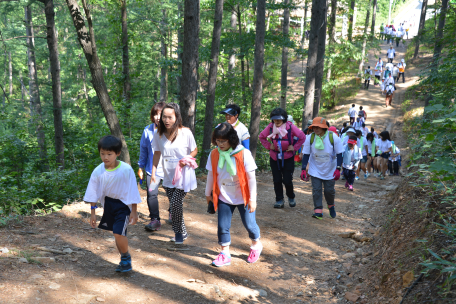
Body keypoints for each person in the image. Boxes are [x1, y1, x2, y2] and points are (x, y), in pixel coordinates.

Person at [205, 123, 262, 267]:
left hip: (243, 196)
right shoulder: (214, 154)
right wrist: (207, 193)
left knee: (249, 224)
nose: (220, 143)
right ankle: (225, 253)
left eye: (223, 141)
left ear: (232, 139)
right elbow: (211, 174)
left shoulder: (243, 153)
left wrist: (252, 199)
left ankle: (256, 245)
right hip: (224, 195)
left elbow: (251, 178)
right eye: (217, 140)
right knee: (222, 226)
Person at [84, 135, 141, 273]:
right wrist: (93, 213)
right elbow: (93, 192)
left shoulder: (126, 170)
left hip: (123, 205)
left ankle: (126, 258)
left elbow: (133, 190)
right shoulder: (98, 171)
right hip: (108, 205)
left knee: (117, 233)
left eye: (109, 154)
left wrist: (134, 211)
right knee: (118, 233)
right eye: (102, 154)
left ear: (118, 153)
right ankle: (123, 258)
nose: (105, 157)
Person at [151, 103, 198, 244]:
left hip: (183, 175)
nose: (166, 120)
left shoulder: (186, 132)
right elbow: (157, 154)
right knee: (174, 205)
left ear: (176, 117)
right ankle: (183, 231)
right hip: (168, 176)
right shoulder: (158, 135)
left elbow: (194, 150)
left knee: (176, 203)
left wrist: (187, 159)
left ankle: (178, 233)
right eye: (164, 117)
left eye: (170, 117)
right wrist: (153, 172)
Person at [259, 108, 305, 208]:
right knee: (277, 180)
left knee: (287, 180)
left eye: (279, 119)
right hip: (274, 157)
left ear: (284, 119)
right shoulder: (270, 127)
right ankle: (279, 200)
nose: (277, 121)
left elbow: (302, 137)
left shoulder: (290, 127)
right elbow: (261, 136)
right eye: (275, 119)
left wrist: (295, 147)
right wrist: (268, 145)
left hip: (288, 157)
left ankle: (291, 196)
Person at [300, 117, 344, 219]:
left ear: (324, 128)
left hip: (330, 169)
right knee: (316, 190)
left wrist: (338, 168)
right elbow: (306, 154)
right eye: (314, 127)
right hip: (315, 169)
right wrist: (303, 168)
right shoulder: (310, 138)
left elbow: (339, 153)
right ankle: (318, 211)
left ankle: (331, 205)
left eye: (318, 127)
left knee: (329, 191)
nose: (316, 129)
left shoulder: (333, 137)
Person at [138, 102, 166, 232]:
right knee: (152, 194)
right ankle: (155, 220)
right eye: (155, 114)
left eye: (160, 114)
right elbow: (143, 150)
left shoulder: (172, 130)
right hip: (153, 170)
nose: (157, 117)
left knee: (173, 194)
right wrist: (140, 167)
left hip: (169, 171)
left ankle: (173, 212)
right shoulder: (147, 130)